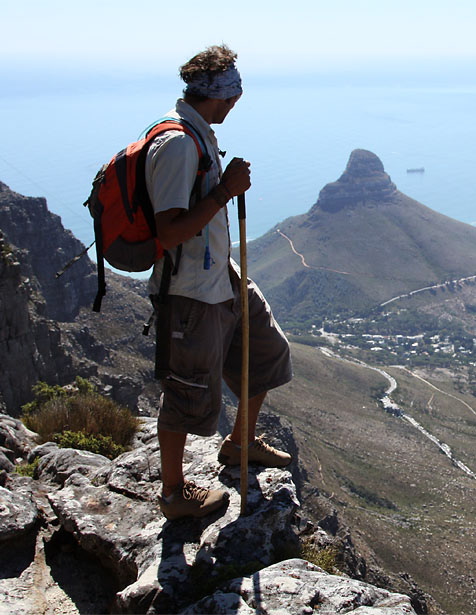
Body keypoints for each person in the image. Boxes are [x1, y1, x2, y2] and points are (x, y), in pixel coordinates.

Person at [148, 45, 293, 521]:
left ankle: (241, 444)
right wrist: (224, 192)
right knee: (187, 389)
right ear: (223, 96)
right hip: (190, 290)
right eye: (234, 95)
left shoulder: (199, 132)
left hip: (221, 276)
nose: (236, 104)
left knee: (267, 350)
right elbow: (169, 229)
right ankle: (173, 493)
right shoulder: (175, 143)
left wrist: (221, 190)